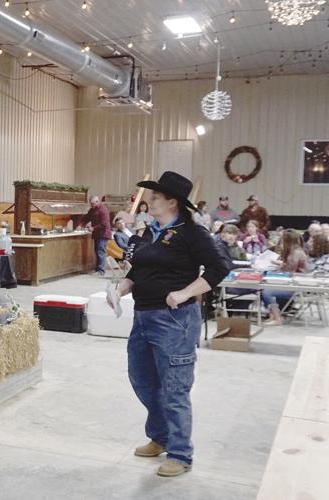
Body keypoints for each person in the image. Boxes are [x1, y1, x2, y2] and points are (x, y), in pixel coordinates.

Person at [108, 171, 229, 478]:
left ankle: (180, 453)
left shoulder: (192, 232)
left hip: (174, 320)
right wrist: (121, 289)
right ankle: (160, 436)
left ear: (173, 202)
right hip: (143, 317)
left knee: (175, 388)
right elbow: (137, 268)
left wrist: (187, 292)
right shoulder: (149, 232)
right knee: (143, 379)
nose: (150, 200)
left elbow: (219, 267)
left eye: (157, 197)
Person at [262, 230, 309, 326]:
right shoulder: (295, 251)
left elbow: (288, 272)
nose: (281, 242)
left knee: (266, 291)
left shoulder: (296, 253)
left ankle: (277, 318)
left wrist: (280, 266)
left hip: (296, 286)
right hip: (292, 283)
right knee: (264, 288)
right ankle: (273, 315)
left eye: (282, 240)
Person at [78, 196, 111, 275]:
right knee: (97, 251)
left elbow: (104, 224)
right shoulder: (92, 209)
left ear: (97, 201)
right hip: (97, 234)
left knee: (101, 252)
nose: (91, 205)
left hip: (103, 234)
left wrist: (93, 228)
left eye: (93, 203)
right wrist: (80, 224)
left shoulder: (103, 210)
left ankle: (101, 271)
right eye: (90, 204)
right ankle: (97, 269)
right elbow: (87, 217)